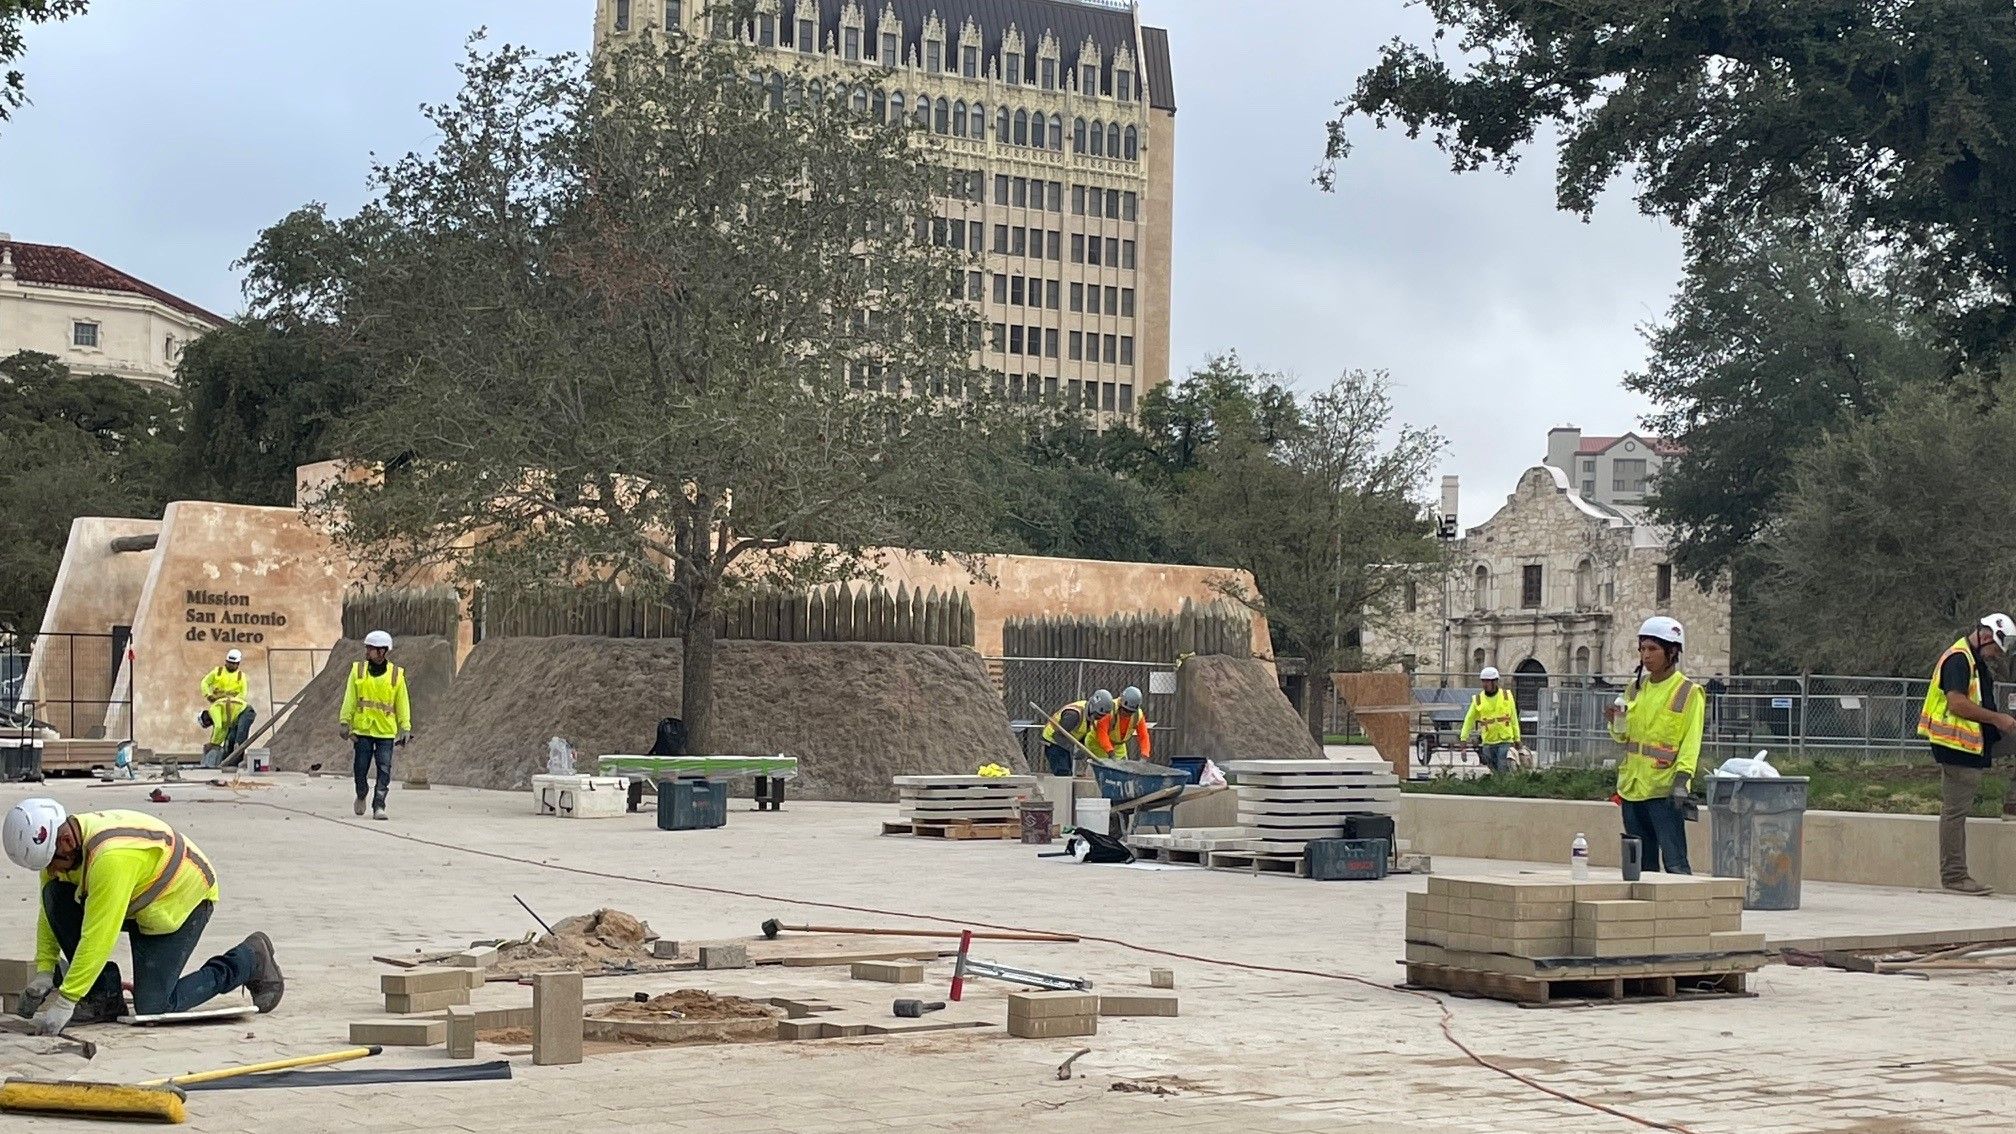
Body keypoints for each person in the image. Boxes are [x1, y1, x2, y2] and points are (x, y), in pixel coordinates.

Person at [2, 798, 283, 1033]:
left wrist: (66, 999)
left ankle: (249, 959)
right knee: (55, 894)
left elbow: (99, 936)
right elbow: (48, 915)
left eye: (52, 864)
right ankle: (103, 997)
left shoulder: (111, 857)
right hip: (137, 900)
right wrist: (44, 972)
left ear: (65, 840)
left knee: (155, 1007)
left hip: (179, 901)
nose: (51, 870)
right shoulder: (54, 850)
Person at [1918, 614, 2016, 895]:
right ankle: (1954, 876)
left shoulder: (1974, 661)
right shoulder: (1958, 660)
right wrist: (1998, 719)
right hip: (1956, 745)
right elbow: (1957, 704)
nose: (1997, 656)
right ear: (1986, 637)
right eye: (1996, 650)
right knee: (1955, 811)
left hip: (1974, 740)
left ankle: (2012, 803)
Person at [1605, 616, 1706, 874]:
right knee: (1640, 867)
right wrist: (1616, 722)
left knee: (1675, 863)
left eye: (1653, 649)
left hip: (1665, 791)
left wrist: (1682, 782)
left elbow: (1691, 741)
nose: (1646, 656)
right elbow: (1623, 738)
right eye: (1642, 649)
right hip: (1632, 788)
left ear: (1671, 652)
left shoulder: (1688, 691)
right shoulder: (1635, 688)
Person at [341, 630, 412, 821]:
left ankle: (379, 805)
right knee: (360, 767)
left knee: (384, 769)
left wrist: (405, 727)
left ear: (382, 651)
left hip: (385, 731)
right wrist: (344, 721)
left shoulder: (396, 674)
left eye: (370, 648)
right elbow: (350, 697)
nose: (366, 651)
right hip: (362, 729)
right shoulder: (358, 670)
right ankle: (361, 793)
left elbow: (402, 702)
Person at [1460, 666, 1520, 774]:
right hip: (1488, 741)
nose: (1485, 684)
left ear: (1495, 682)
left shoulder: (1507, 696)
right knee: (1493, 769)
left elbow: (1513, 719)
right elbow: (1469, 720)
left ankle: (1503, 787)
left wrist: (1517, 738)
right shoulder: (1478, 700)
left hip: (1505, 740)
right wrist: (1463, 739)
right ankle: (1498, 787)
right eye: (1483, 681)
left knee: (1503, 767)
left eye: (1487, 681)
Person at [1039, 690, 1113, 776]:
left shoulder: (1090, 717)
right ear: (1093, 708)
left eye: (1102, 716)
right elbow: (1057, 735)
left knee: (1067, 773)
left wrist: (1082, 748)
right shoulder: (1073, 715)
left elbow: (1081, 733)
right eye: (1098, 715)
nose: (1099, 718)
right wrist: (1073, 748)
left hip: (1064, 742)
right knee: (1063, 773)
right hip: (1053, 741)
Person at [199, 649, 252, 768]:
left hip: (234, 709)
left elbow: (243, 693)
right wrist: (208, 694)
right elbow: (205, 683)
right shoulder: (217, 672)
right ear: (226, 661)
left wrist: (213, 743)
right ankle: (226, 761)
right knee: (227, 733)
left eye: (234, 663)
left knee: (237, 737)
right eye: (229, 662)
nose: (231, 665)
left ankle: (233, 761)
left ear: (238, 664)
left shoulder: (240, 676)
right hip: (220, 705)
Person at [1095, 686, 1153, 763]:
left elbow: (1143, 736)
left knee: (1123, 769)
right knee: (1103, 766)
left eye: (1131, 712)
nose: (1127, 714)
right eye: (1125, 710)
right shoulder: (1109, 709)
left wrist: (1144, 756)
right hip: (1097, 742)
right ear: (1120, 703)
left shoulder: (1138, 716)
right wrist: (1111, 753)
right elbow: (1102, 734)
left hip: (1118, 745)